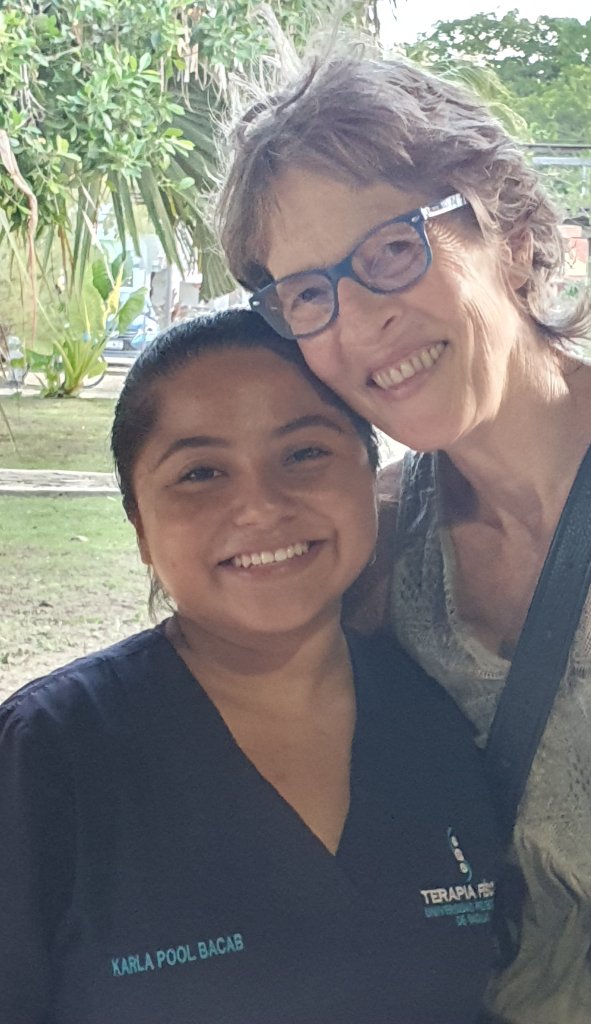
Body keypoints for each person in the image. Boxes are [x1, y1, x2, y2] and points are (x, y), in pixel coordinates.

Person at [217, 48, 591, 1024]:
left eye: (393, 250)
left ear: (509, 232)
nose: (361, 321)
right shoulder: (378, 551)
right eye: (308, 293)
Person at [0, 309, 501, 1024]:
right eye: (201, 472)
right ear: (140, 527)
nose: (262, 507)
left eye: (304, 453)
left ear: (371, 475)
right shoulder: (47, 756)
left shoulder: (444, 721)